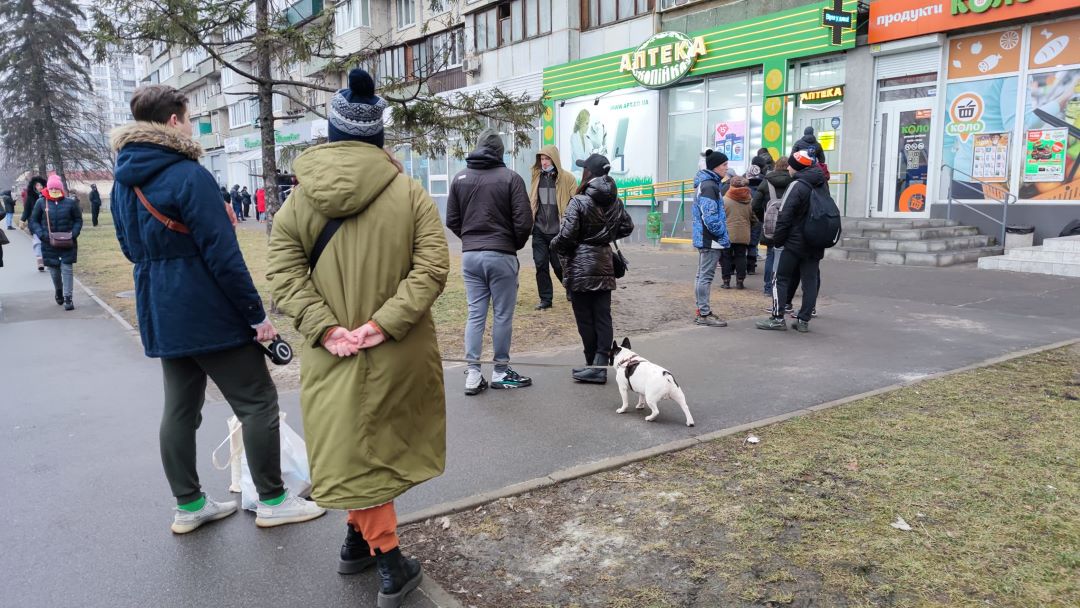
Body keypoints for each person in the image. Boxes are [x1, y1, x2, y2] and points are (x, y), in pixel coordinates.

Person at [268, 68, 448, 608]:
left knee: (354, 447)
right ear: (378, 136)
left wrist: (326, 329)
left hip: (332, 354)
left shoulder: (298, 202)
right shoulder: (411, 193)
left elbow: (282, 272)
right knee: (380, 448)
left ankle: (356, 541)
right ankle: (389, 562)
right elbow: (433, 267)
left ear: (333, 131)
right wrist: (383, 324)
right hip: (397, 349)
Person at [110, 84, 325, 534]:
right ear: (173, 121)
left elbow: (131, 248)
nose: (191, 125)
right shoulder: (190, 175)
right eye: (188, 117)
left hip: (160, 310)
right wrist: (256, 316)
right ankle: (273, 499)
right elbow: (222, 256)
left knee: (180, 409)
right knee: (258, 401)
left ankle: (188, 506)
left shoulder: (122, 181)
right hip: (209, 310)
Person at [445, 129, 533, 396]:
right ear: (500, 152)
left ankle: (473, 373)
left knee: (475, 313)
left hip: (470, 256)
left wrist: (470, 240)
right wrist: (511, 245)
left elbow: (452, 219)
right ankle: (500, 371)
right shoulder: (511, 179)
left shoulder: (459, 178)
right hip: (501, 254)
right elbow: (524, 222)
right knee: (502, 314)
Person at [551, 154, 633, 384]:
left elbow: (566, 237)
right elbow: (627, 226)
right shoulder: (615, 201)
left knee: (585, 319)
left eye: (583, 168)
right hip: (604, 263)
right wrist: (604, 236)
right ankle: (600, 366)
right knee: (603, 316)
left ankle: (592, 365)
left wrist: (553, 245)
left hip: (580, 266)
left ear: (588, 173)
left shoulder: (579, 201)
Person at [756, 150, 827, 333]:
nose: (788, 167)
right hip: (815, 241)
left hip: (795, 242)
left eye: (790, 165)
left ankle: (778, 318)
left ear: (796, 168)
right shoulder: (821, 183)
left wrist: (778, 240)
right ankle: (803, 321)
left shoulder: (796, 186)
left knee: (780, 278)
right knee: (810, 281)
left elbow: (785, 215)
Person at [528, 145, 577, 309]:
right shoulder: (536, 177)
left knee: (558, 265)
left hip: (558, 231)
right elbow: (533, 201)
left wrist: (570, 224)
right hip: (539, 230)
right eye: (541, 159)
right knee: (540, 265)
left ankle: (571, 289)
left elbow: (576, 202)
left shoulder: (567, 178)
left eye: (547, 158)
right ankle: (546, 300)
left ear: (554, 159)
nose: (544, 162)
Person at [29, 176, 82, 310]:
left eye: (56, 188)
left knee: (67, 269)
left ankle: (68, 298)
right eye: (51, 188)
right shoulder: (41, 203)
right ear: (48, 188)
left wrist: (74, 233)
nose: (54, 190)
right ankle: (59, 290)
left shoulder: (70, 203)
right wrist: (42, 235)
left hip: (68, 242)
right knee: (54, 271)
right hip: (48, 243)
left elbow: (78, 220)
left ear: (61, 189)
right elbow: (33, 221)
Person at [691, 149, 730, 327]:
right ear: (715, 167)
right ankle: (704, 314)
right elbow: (710, 216)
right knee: (705, 277)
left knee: (702, 276)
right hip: (710, 239)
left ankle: (702, 311)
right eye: (724, 165)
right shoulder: (709, 185)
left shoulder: (707, 184)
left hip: (706, 237)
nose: (726, 168)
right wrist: (721, 233)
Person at [752, 156, 792, 297]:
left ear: (775, 166)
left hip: (770, 225)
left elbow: (754, 205)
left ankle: (768, 288)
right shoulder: (794, 182)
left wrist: (764, 219)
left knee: (770, 255)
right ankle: (783, 288)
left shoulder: (766, 182)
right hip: (789, 226)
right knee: (787, 257)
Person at [719, 176, 757, 290]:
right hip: (743, 234)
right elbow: (754, 219)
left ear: (731, 185)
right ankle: (740, 281)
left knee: (726, 257)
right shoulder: (750, 200)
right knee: (741, 257)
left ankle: (726, 281)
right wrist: (748, 226)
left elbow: (720, 217)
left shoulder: (725, 200)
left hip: (727, 233)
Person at [745, 155, 770, 275]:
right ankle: (751, 267)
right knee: (753, 242)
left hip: (744, 217)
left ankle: (739, 266)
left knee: (743, 242)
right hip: (758, 217)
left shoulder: (744, 185)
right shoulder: (764, 184)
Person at [21, 176, 47, 271]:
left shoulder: (47, 196)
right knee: (37, 242)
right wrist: (22, 220)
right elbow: (26, 210)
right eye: (37, 185)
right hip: (34, 222)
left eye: (41, 185)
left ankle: (47, 259)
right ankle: (40, 260)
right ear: (34, 186)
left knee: (46, 241)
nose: (39, 187)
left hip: (46, 222)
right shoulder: (30, 197)